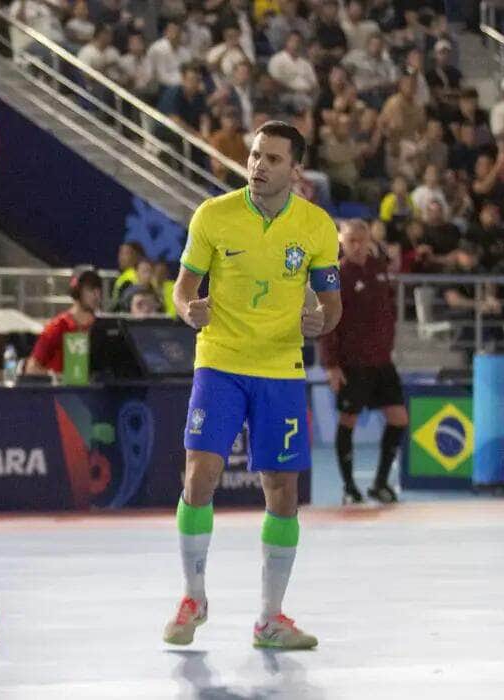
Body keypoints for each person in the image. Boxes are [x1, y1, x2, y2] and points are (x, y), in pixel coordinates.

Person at [165, 121, 342, 650]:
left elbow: (331, 304)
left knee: (282, 491)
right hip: (219, 361)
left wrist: (322, 322)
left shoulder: (316, 226)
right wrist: (187, 311)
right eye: (255, 156)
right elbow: (181, 289)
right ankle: (193, 597)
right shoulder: (213, 215)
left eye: (272, 159)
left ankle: (270, 620)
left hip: (281, 369)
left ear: (295, 169)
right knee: (201, 475)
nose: (259, 166)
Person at [319, 220, 407, 505]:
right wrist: (331, 365)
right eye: (350, 240)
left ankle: (380, 483)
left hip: (382, 361)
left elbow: (388, 310)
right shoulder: (337, 275)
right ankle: (349, 488)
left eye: (361, 239)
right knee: (349, 420)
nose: (357, 245)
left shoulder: (379, 270)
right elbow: (327, 323)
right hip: (352, 363)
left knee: (398, 418)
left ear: (369, 239)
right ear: (341, 242)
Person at [25, 268, 103, 376]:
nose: (96, 295)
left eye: (98, 289)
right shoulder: (58, 326)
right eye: (90, 289)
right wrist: (58, 377)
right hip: (64, 391)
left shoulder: (102, 327)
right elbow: (31, 368)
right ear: (77, 291)